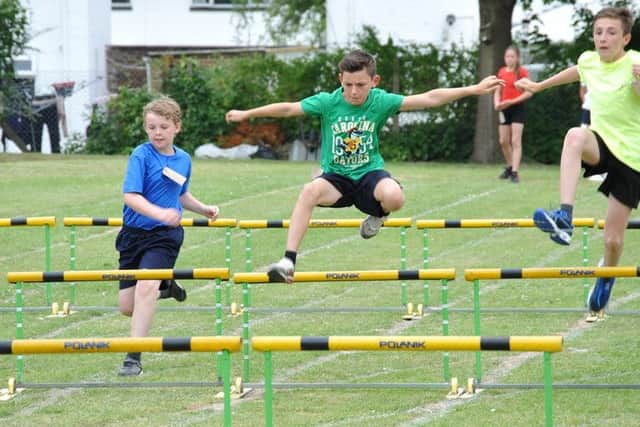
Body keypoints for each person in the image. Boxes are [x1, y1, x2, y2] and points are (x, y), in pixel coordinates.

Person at [225, 49, 503, 283]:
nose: (354, 92)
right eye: (348, 85)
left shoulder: (380, 101)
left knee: (395, 197)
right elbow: (288, 109)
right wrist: (248, 113)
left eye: (361, 85)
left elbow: (429, 98)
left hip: (369, 175)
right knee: (309, 191)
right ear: (340, 80)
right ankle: (288, 261)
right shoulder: (328, 102)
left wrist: (473, 89)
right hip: (336, 179)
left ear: (374, 81)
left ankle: (379, 215)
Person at [515, 7, 640, 313]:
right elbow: (576, 71)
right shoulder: (589, 60)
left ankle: (606, 276)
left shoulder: (635, 62)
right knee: (574, 136)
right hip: (601, 143)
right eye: (598, 32)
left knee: (612, 241)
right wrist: (539, 86)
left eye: (611, 33)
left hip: (633, 157)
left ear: (625, 38)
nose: (603, 38)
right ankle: (564, 218)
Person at [116, 96, 220, 376]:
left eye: (163, 126)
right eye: (151, 127)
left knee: (145, 288)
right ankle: (166, 288)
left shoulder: (184, 159)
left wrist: (203, 208)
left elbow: (181, 194)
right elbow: (131, 196)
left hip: (165, 236)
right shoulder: (141, 155)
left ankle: (132, 358)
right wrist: (159, 212)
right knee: (127, 307)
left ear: (177, 127)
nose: (157, 133)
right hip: (133, 236)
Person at [495, 45, 532, 183]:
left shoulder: (522, 72)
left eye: (512, 56)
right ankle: (510, 166)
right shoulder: (502, 72)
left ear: (517, 58)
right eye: (507, 56)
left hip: (517, 108)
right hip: (504, 109)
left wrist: (511, 101)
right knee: (503, 141)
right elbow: (497, 90)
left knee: (515, 141)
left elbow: (529, 92)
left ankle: (515, 172)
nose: (509, 59)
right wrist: (497, 103)